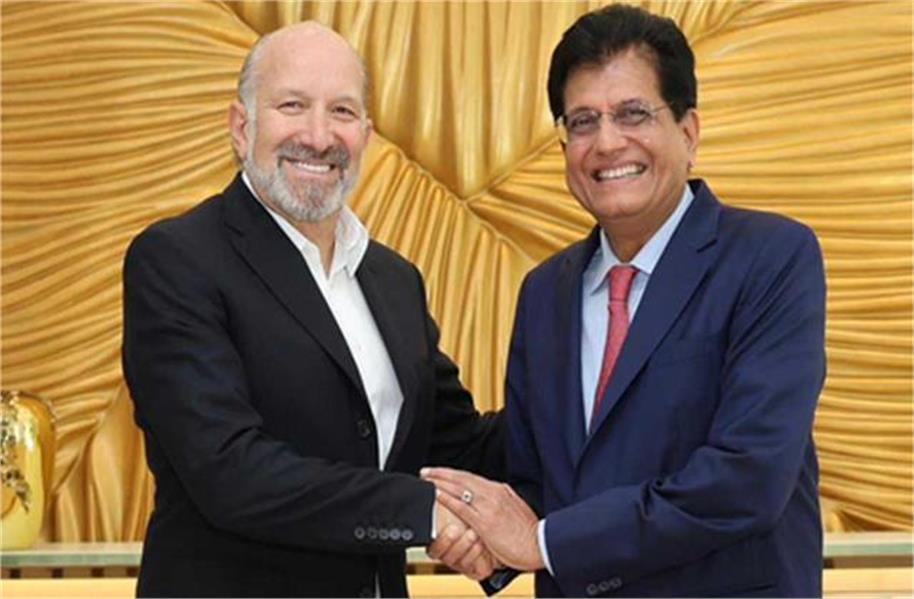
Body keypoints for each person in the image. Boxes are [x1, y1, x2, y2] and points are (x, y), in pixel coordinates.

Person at [424, 4, 826, 597]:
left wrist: (542, 544)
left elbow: (747, 479)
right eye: (583, 121)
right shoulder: (546, 292)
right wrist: (485, 538)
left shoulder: (769, 258)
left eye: (633, 114)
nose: (607, 143)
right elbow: (539, 481)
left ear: (688, 131)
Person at [122, 21, 503, 598]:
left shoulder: (394, 280)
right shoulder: (178, 260)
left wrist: (581, 406)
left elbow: (455, 448)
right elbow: (230, 472)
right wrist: (423, 511)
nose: (319, 136)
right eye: (292, 105)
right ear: (242, 126)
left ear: (366, 136)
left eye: (342, 111)